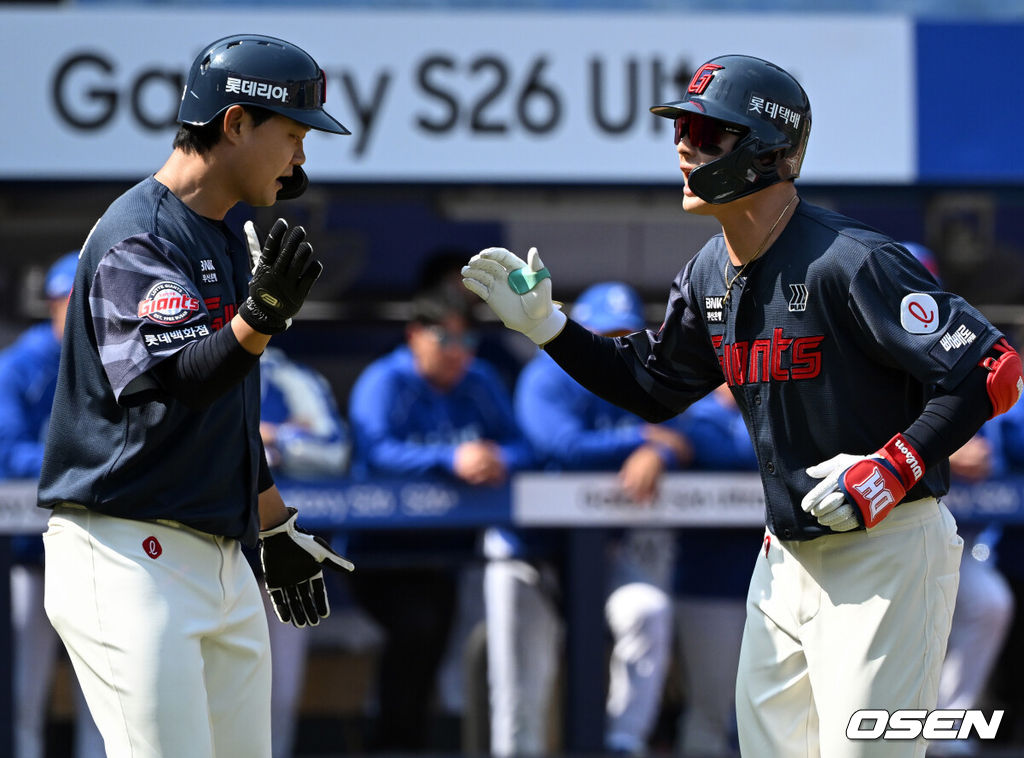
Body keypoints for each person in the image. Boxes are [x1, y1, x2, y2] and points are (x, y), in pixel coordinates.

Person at [463, 53, 1023, 757]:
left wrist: (894, 466)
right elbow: (653, 387)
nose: (683, 147)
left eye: (706, 132)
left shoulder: (853, 259)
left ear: (767, 150)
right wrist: (550, 328)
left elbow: (993, 370)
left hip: (887, 549)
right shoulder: (708, 271)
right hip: (783, 555)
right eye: (680, 130)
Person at [36, 34, 354, 757]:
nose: (301, 158)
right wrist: (260, 316)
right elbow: (183, 380)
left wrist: (273, 526)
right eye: (294, 135)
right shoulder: (139, 234)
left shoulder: (219, 235)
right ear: (236, 123)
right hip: (126, 551)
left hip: (219, 556)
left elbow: (227, 411)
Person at [485, 280, 688, 757]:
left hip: (605, 553)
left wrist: (660, 454)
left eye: (625, 334)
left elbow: (685, 436)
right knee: (521, 691)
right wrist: (644, 442)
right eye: (605, 334)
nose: (616, 345)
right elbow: (564, 446)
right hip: (529, 554)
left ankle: (623, 744)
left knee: (647, 611)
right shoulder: (547, 374)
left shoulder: (646, 376)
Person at [344, 282, 534, 752]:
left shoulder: (480, 380)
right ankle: (390, 744)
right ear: (415, 335)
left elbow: (525, 446)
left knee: (433, 645)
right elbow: (376, 450)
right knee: (417, 628)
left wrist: (497, 459)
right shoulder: (385, 380)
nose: (457, 352)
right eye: (444, 338)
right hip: (378, 553)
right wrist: (452, 459)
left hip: (447, 554)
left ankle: (403, 742)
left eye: (466, 339)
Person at [0, 252, 103, 758]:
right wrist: (76, 460)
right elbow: (6, 452)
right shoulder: (20, 365)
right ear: (53, 305)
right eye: (69, 302)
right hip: (29, 553)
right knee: (23, 692)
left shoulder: (115, 359)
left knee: (102, 694)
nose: (78, 313)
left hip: (93, 553)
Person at [256, 346, 352, 758]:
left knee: (278, 694)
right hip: (203, 554)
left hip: (279, 559)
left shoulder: (288, 375)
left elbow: (334, 451)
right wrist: (253, 440)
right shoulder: (183, 358)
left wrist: (278, 439)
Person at [672, 383, 762, 757]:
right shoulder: (698, 413)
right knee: (711, 710)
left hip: (775, 586)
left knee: (769, 712)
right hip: (709, 584)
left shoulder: (777, 404)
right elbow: (733, 456)